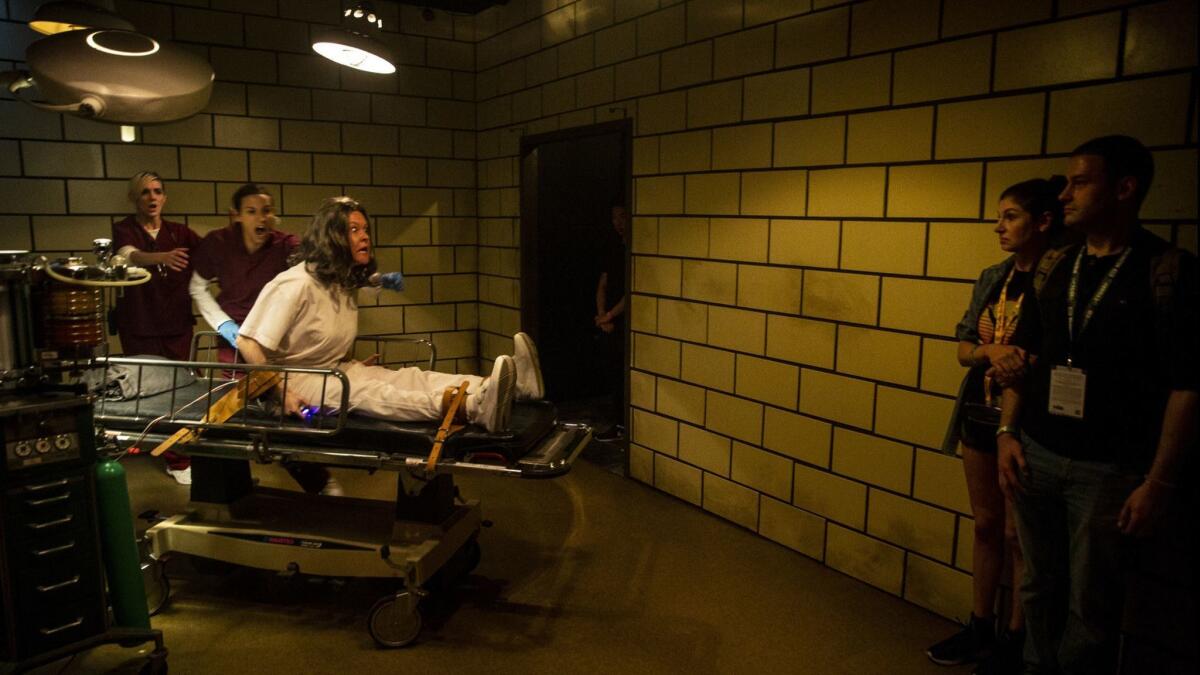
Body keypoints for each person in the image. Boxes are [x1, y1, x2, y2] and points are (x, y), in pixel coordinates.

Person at [993, 135, 1197, 674]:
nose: (1064, 195)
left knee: (1092, 606)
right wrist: (1007, 434)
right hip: (1035, 451)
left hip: (1108, 471)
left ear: (1125, 189)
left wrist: (1158, 484)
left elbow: (1188, 387)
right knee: (1035, 586)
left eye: (1081, 182)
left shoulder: (1167, 271)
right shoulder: (1057, 264)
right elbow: (1023, 357)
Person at [236, 196, 544, 434]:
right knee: (372, 393)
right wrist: (283, 391)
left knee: (411, 378)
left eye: (365, 229)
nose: (365, 237)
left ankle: (510, 387)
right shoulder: (294, 283)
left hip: (333, 369)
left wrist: (351, 362)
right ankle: (474, 407)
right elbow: (247, 342)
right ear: (332, 237)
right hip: (295, 381)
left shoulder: (340, 282)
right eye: (353, 230)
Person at [929, 177, 1067, 674]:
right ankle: (980, 623)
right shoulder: (995, 277)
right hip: (980, 413)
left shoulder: (1061, 278)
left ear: (1043, 222)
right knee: (986, 524)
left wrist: (1023, 361)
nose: (999, 226)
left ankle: (1016, 636)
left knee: (1018, 534)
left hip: (1027, 420)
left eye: (1010, 216)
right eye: (1000, 216)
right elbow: (965, 347)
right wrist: (990, 351)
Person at [112, 171, 201, 484]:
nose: (152, 197)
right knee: (153, 394)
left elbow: (209, 255)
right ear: (134, 198)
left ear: (165, 197)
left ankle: (186, 455)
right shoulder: (124, 229)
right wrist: (162, 257)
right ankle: (174, 457)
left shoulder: (180, 233)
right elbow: (128, 256)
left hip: (176, 324)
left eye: (157, 191)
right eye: (145, 192)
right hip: (140, 324)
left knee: (185, 391)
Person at [190, 184, 297, 364]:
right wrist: (222, 323)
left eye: (266, 211)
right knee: (235, 388)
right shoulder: (218, 243)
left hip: (273, 337)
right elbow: (197, 286)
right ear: (237, 216)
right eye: (251, 211)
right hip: (233, 338)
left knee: (275, 387)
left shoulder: (286, 246)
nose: (261, 218)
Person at [593, 203, 628, 441]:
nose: (617, 222)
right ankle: (617, 423)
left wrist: (610, 315)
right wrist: (601, 313)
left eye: (622, 217)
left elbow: (631, 292)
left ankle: (623, 425)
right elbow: (603, 283)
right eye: (614, 217)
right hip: (610, 319)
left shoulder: (634, 247)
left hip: (625, 320)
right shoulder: (613, 247)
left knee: (624, 373)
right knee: (613, 372)